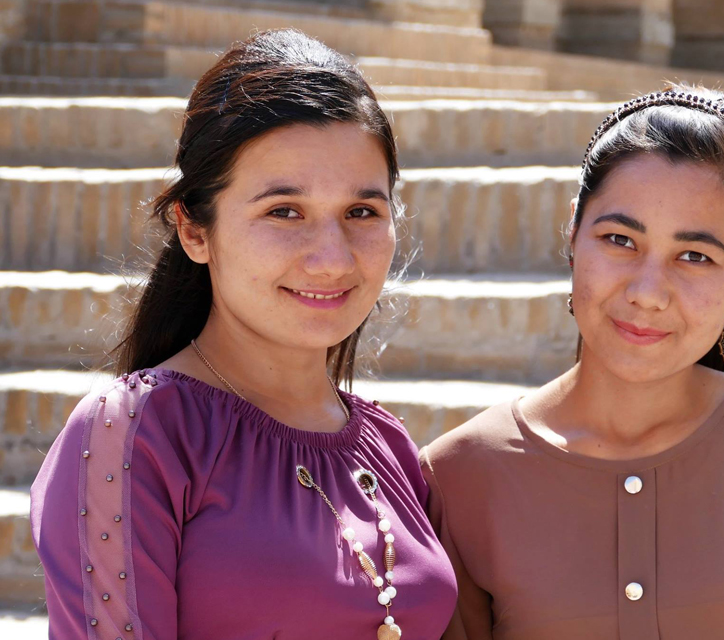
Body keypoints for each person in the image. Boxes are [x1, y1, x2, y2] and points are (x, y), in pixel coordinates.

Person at [420, 86, 724, 640]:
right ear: (573, 234)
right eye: (619, 239)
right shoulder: (462, 475)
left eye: (694, 256)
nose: (649, 292)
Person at [31, 29, 456, 640]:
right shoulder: (133, 433)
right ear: (195, 230)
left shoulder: (390, 448)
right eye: (284, 211)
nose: (333, 259)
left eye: (363, 212)